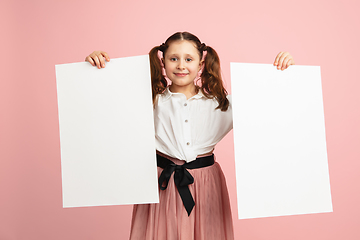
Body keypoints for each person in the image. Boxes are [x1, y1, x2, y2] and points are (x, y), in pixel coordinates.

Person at [85, 32, 294, 240]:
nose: (181, 65)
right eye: (173, 59)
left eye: (188, 59)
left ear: (201, 64)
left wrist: (284, 71)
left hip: (206, 184)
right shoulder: (149, 101)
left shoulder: (220, 104)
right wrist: (95, 69)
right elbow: (105, 107)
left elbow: (268, 108)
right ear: (163, 62)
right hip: (160, 184)